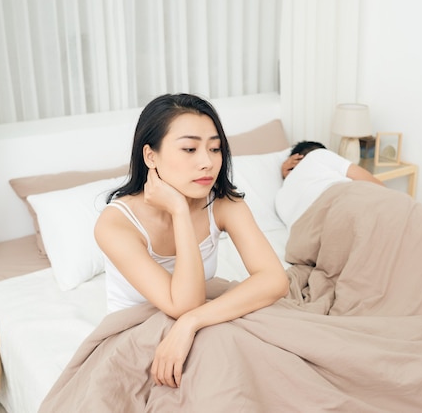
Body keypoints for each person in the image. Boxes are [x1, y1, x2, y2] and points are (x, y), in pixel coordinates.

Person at [94, 93, 289, 389]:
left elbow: (275, 280)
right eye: (189, 149)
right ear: (150, 156)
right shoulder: (116, 223)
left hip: (201, 317)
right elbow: (181, 304)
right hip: (135, 331)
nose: (207, 162)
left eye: (215, 149)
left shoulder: (224, 204)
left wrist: (191, 322)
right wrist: (179, 211)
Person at [275, 141, 385, 228]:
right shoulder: (318, 155)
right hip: (341, 207)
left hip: (306, 239)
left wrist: (286, 177)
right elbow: (377, 186)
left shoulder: (279, 199)